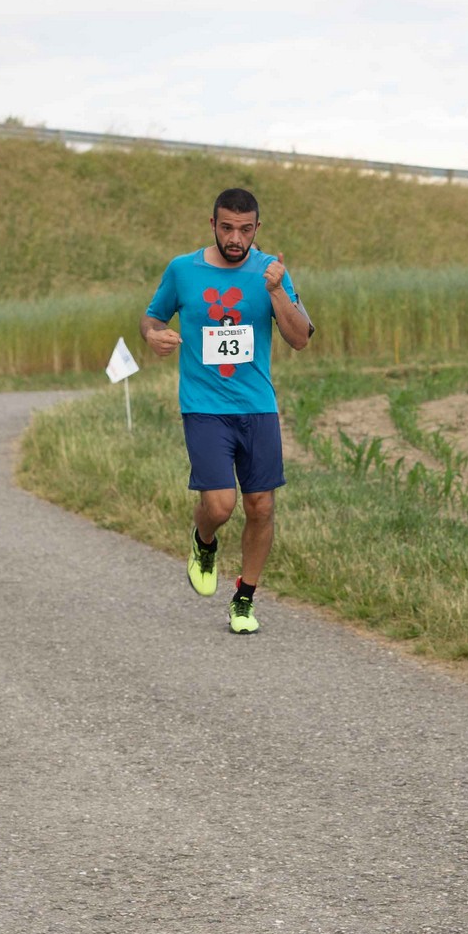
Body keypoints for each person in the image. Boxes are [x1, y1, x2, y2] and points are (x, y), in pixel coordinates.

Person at [142, 187, 314, 634]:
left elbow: (300, 338)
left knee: (261, 506)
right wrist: (153, 335)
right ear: (213, 225)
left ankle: (244, 598)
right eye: (227, 228)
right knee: (219, 506)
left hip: (257, 406)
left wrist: (276, 292)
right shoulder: (183, 270)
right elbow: (152, 317)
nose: (235, 238)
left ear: (257, 228)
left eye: (245, 229)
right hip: (204, 406)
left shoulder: (272, 272)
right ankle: (204, 542)